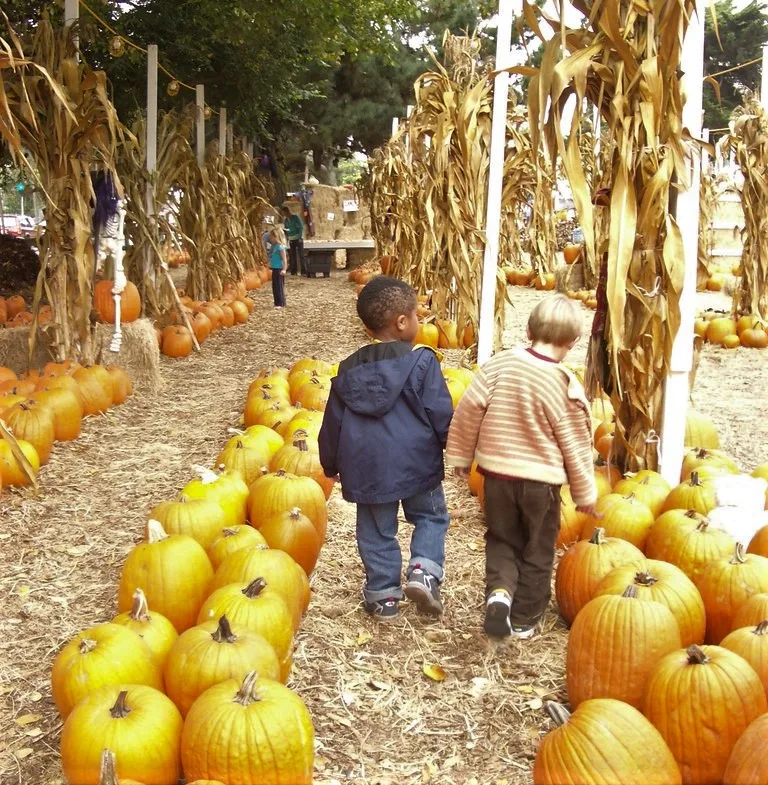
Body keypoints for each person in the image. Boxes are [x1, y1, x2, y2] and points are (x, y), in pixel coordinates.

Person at [445, 294, 597, 640]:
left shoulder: (500, 365)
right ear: (572, 343)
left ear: (528, 330)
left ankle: (499, 594)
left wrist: (459, 456)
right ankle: (525, 618)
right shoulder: (563, 385)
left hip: (496, 479)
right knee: (537, 549)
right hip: (540, 486)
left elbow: (469, 409)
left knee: (502, 539)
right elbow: (575, 444)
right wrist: (585, 493)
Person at [319, 276, 454, 622]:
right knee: (430, 515)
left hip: (367, 469)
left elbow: (332, 424)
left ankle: (383, 596)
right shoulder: (423, 363)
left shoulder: (348, 370)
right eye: (417, 314)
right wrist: (453, 448)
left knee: (376, 529)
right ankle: (424, 571)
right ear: (402, 322)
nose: (421, 322)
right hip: (417, 463)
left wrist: (330, 463)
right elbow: (440, 413)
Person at [282, 206, 306, 276]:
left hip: (298, 238)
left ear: (288, 212)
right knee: (293, 255)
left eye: (285, 213)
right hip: (291, 239)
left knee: (301, 255)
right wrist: (286, 237)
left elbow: (301, 227)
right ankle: (294, 270)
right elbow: (286, 229)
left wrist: (299, 236)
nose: (285, 215)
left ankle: (303, 270)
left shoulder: (295, 218)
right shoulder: (286, 220)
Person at [268, 226, 287, 309]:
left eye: (272, 237)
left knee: (279, 286)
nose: (270, 239)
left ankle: (281, 303)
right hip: (274, 269)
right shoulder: (275, 246)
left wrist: (284, 269)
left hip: (279, 269)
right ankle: (277, 302)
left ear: (276, 237)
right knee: (275, 286)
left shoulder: (280, 247)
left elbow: (284, 259)